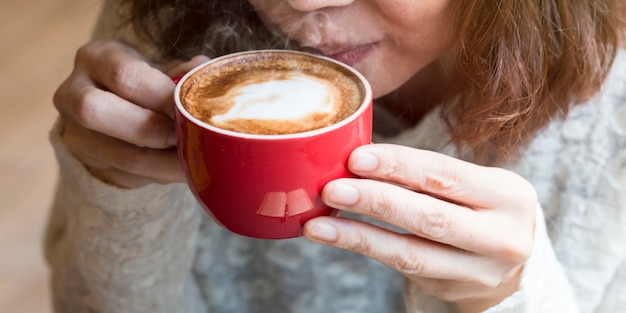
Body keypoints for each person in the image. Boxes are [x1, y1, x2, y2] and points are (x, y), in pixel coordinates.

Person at [46, 0, 626, 312]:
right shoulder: (172, 16)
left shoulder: (610, 112)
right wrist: (110, 190)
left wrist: (510, 297)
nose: (302, 1)